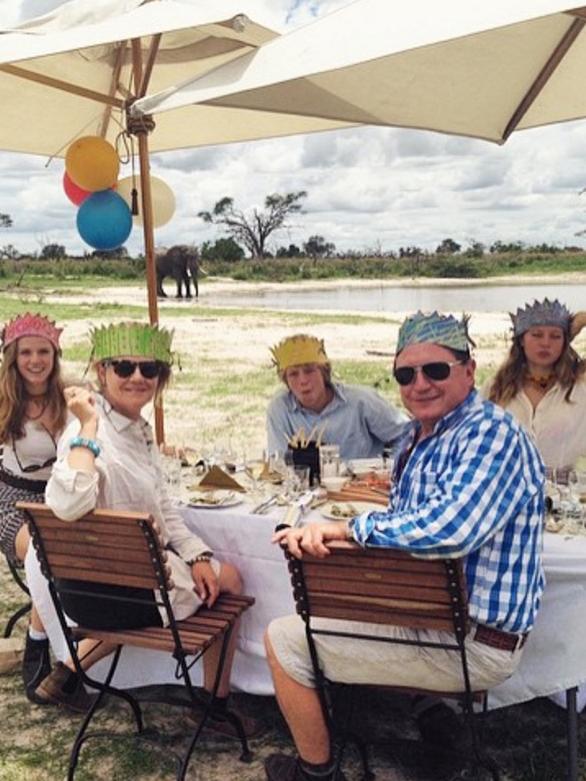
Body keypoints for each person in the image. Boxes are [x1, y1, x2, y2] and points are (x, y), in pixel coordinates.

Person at [263, 311, 545, 781]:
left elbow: (451, 528)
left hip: (472, 644)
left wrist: (350, 530)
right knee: (350, 601)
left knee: (283, 640)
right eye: (406, 374)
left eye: (436, 370)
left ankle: (316, 772)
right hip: (434, 621)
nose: (420, 384)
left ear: (469, 370)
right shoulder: (421, 435)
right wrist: (352, 529)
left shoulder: (492, 433)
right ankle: (435, 727)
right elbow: (406, 519)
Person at [35, 322, 256, 734]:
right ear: (101, 373)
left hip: (95, 588)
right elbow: (66, 504)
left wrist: (199, 555)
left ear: (160, 377)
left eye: (149, 369)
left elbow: (165, 509)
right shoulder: (88, 432)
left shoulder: (137, 430)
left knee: (211, 572)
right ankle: (213, 706)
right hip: (116, 594)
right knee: (235, 580)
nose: (137, 377)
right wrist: (85, 428)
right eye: (123, 367)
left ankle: (69, 669)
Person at [0, 312, 68, 704]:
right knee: (46, 552)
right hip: (13, 503)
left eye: (44, 351)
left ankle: (79, 644)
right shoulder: (5, 400)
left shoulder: (68, 398)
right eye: (26, 352)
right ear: (14, 356)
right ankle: (38, 643)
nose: (35, 360)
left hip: (60, 501)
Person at [482, 298, 586, 471]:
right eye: (537, 335)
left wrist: (582, 320)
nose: (545, 343)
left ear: (565, 342)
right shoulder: (495, 386)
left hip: (567, 492)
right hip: (507, 489)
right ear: (522, 339)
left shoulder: (580, 385)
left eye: (555, 336)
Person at [266, 334, 406, 460]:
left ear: (324, 373)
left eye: (309, 371)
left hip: (363, 485)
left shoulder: (360, 401)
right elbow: (278, 460)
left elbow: (408, 434)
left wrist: (390, 466)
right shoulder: (280, 408)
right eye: (293, 374)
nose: (303, 380)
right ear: (285, 381)